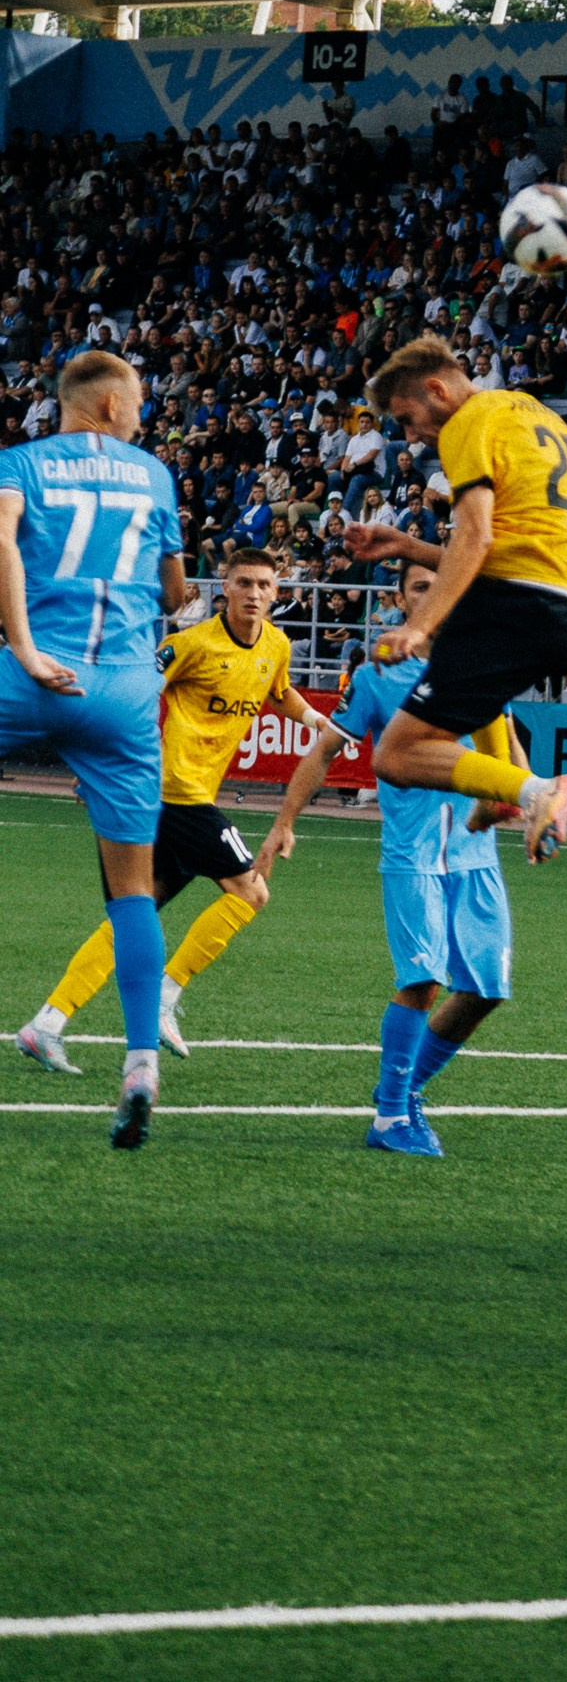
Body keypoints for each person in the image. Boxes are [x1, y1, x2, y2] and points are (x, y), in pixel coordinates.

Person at [21, 546, 324, 1068]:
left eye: (264, 586)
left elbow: (280, 694)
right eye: (244, 583)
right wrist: (103, 759)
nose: (254, 594)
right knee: (251, 891)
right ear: (223, 588)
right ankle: (167, 993)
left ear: (278, 593)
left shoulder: (276, 645)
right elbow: (137, 693)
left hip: (188, 797)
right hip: (173, 792)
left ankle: (48, 1022)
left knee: (133, 913)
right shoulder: (189, 645)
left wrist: (316, 722)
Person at [260, 557, 518, 1158]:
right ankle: (389, 1118)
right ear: (404, 602)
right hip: (415, 854)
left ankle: (404, 1092)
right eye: (419, 589)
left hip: (476, 854)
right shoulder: (378, 674)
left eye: (440, 587)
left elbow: (508, 747)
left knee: (486, 989)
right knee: (423, 981)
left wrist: (530, 804)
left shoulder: (483, 663)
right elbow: (326, 750)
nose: (432, 597)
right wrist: (284, 821)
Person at [2, 349, 185, 1149]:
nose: (142, 413)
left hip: (34, 670)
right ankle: (140, 1062)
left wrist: (28, 647)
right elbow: (176, 592)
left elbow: (3, 545)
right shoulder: (155, 476)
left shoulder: (21, 464)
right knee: (133, 892)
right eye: (138, 401)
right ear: (108, 407)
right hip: (124, 693)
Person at [343, 336, 567, 863]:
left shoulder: (467, 422)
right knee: (469, 661)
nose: (412, 436)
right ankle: (498, 796)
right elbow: (507, 547)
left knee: (395, 755)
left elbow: (476, 537)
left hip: (520, 604)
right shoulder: (536, 416)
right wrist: (409, 546)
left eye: (409, 416)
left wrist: (417, 628)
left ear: (438, 389)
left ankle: (532, 791)